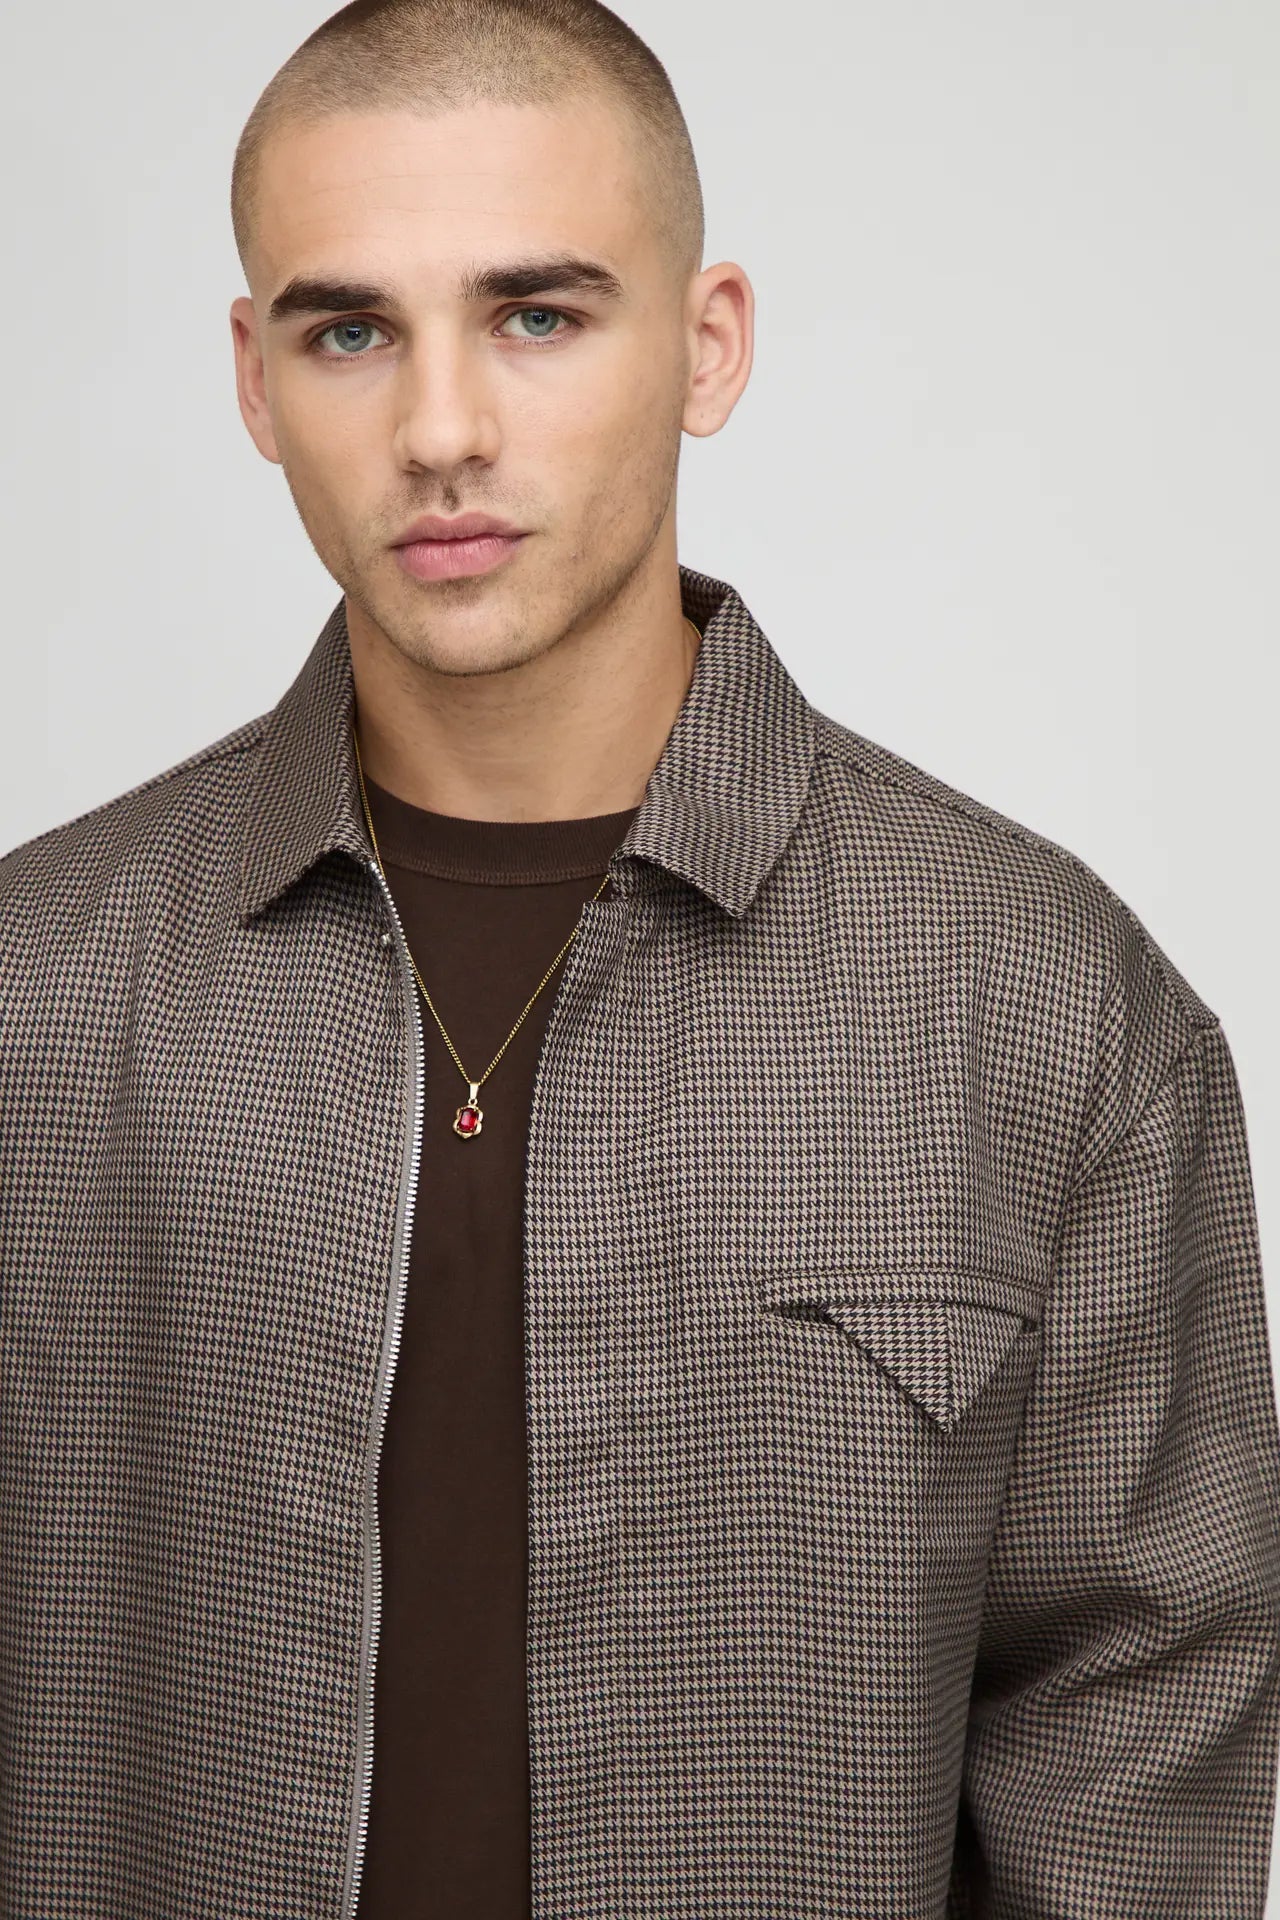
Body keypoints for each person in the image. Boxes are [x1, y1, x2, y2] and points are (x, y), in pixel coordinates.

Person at [2, 0, 1277, 1913]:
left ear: (708, 345)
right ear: (255, 383)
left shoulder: (1044, 1007)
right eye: (350, 331)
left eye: (536, 315)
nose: (442, 429)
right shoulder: (32, 997)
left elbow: (1137, 1782)